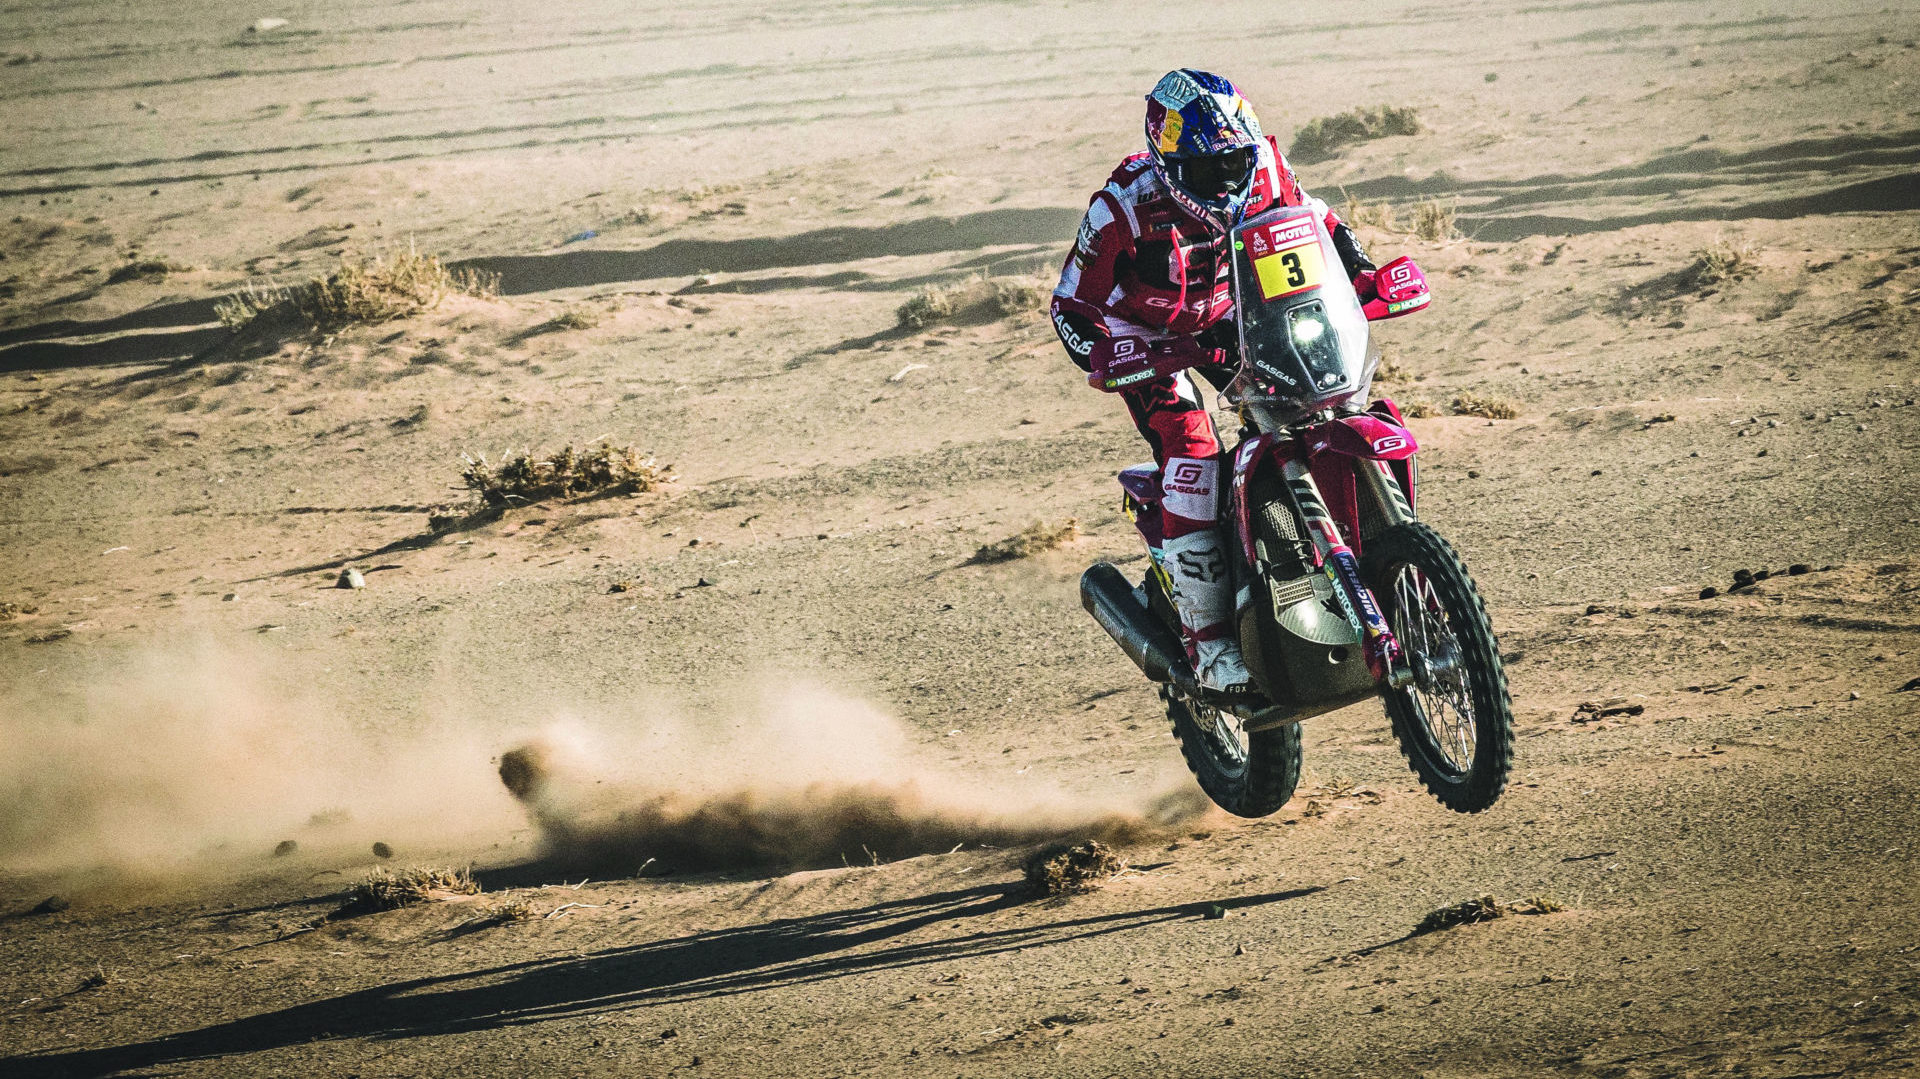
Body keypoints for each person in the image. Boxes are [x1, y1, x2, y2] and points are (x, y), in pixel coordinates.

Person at [1051, 68, 1380, 694]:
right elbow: (1070, 306)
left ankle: (1353, 563)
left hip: (1238, 318)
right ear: (1167, 159)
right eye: (1207, 169)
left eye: (1235, 160)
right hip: (1149, 338)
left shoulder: (1266, 168)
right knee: (1193, 450)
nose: (1228, 177)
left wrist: (1364, 274)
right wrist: (1105, 357)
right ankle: (1210, 645)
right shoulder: (1122, 204)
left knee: (1319, 403)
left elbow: (1318, 221)